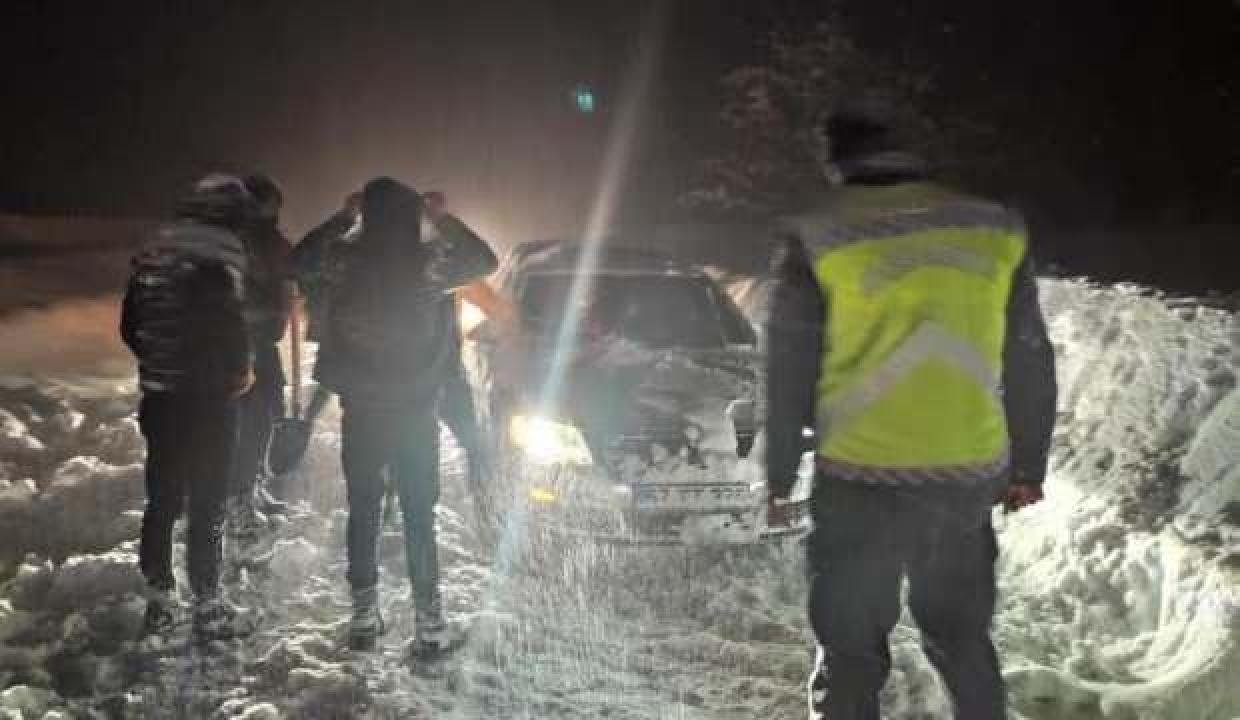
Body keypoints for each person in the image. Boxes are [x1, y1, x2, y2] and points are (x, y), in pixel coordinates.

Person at [764, 110, 1057, 719]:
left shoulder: (820, 233)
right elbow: (1028, 353)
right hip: (964, 477)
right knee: (962, 639)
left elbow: (790, 363)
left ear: (837, 161)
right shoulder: (991, 226)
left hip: (860, 479)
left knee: (850, 654)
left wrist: (780, 472)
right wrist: (1029, 464)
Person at [315, 177, 497, 657]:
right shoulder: (426, 265)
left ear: (368, 216)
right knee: (419, 516)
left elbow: (297, 261)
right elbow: (485, 260)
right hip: (415, 411)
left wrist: (344, 217)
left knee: (364, 510)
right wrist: (440, 218)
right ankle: (430, 625)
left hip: (363, 411)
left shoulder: (344, 261)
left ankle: (362, 618)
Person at [120, 174, 260, 642]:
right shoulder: (225, 249)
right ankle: (207, 601)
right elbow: (228, 321)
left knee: (162, 499)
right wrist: (240, 369)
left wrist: (158, 361)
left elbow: (130, 324)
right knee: (207, 499)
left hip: (161, 395)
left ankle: (159, 598)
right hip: (210, 398)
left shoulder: (152, 250)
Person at [228, 174, 294, 527]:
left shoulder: (266, 238)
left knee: (268, 413)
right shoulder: (241, 239)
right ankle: (238, 498)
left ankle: (250, 486)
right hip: (241, 344)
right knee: (252, 422)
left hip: (260, 342)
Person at [289, 191, 363, 424]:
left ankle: (308, 421)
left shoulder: (333, 232)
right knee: (339, 373)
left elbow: (298, 262)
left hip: (342, 316)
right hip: (342, 316)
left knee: (333, 374)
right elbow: (299, 263)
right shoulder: (338, 234)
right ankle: (309, 421)